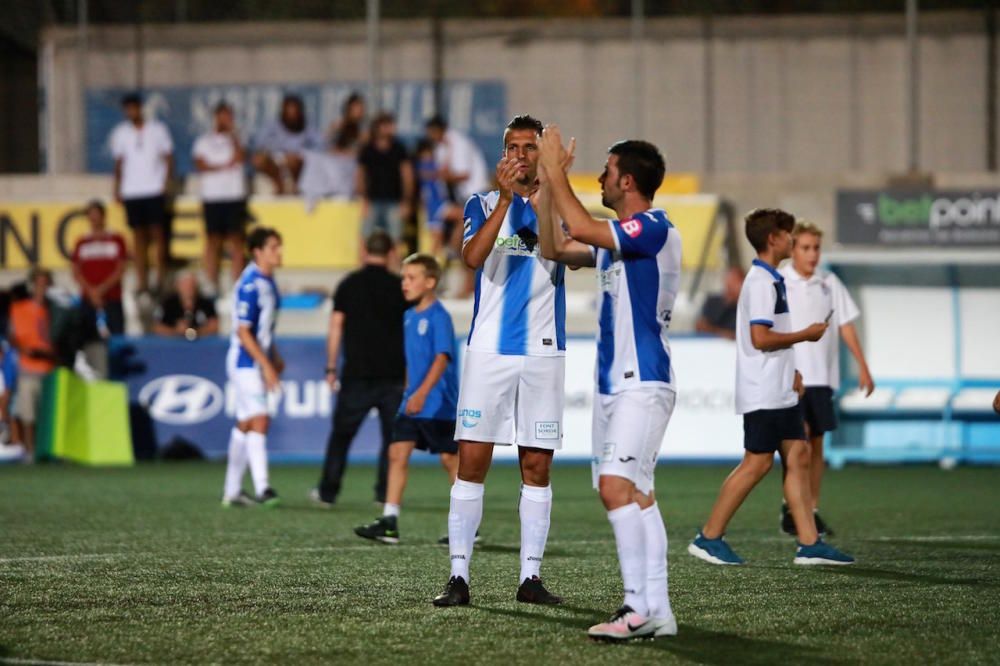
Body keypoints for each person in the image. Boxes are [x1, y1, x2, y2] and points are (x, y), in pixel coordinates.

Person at [536, 128, 680, 640]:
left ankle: (636, 608)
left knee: (616, 487)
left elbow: (578, 223)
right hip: (614, 387)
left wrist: (556, 170)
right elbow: (554, 243)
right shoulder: (614, 242)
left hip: (642, 381)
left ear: (627, 180)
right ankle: (657, 612)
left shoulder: (653, 227)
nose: (599, 177)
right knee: (638, 493)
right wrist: (548, 185)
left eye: (606, 170)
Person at [432, 115, 565, 609]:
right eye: (513, 147)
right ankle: (459, 577)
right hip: (489, 350)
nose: (521, 155)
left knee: (537, 463)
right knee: (471, 463)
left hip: (544, 351)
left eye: (530, 148)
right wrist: (507, 201)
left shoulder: (560, 204)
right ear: (503, 154)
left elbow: (566, 252)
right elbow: (471, 258)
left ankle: (530, 577)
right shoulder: (483, 203)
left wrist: (550, 191)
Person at [687, 209, 854, 567]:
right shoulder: (761, 282)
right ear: (773, 239)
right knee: (758, 463)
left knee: (798, 455)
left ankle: (809, 542)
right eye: (788, 234)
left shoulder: (770, 278)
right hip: (763, 389)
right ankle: (709, 536)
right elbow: (760, 338)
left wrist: (792, 370)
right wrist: (805, 335)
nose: (792, 240)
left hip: (779, 386)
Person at [778, 221, 875, 537]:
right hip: (793, 376)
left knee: (817, 445)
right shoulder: (780, 281)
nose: (812, 254)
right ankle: (792, 506)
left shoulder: (829, 282)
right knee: (799, 442)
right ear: (793, 249)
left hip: (822, 376)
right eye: (806, 247)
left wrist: (862, 365)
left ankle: (811, 508)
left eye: (816, 247)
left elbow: (846, 325)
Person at [354, 254, 459, 544]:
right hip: (412, 401)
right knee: (397, 453)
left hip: (439, 402)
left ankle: (466, 523)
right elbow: (413, 360)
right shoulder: (409, 316)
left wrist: (422, 393)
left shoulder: (439, 316)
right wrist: (409, 391)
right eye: (403, 277)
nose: (405, 283)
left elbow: (441, 358)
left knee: (451, 460)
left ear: (430, 282)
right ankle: (389, 521)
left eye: (411, 278)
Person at [313, 231, 407, 507]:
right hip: (392, 375)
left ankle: (328, 492)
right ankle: (384, 494)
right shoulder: (400, 287)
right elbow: (410, 331)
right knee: (391, 440)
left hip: (356, 374)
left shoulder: (349, 284)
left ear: (364, 251)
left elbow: (335, 327)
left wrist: (331, 367)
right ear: (391, 253)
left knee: (341, 436)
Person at [221, 228, 284, 508]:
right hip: (245, 362)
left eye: (279, 246)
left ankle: (232, 491)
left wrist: (274, 355)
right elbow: (244, 332)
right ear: (257, 252)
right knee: (261, 419)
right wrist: (266, 364)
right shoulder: (250, 284)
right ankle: (263, 487)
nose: (279, 252)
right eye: (273, 247)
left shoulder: (268, 281)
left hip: (254, 359)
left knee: (246, 424)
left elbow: (263, 329)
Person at [110, 92, 173, 295]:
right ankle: (142, 281)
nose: (131, 112)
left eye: (134, 107)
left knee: (158, 234)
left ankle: (160, 277)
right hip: (132, 191)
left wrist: (166, 182)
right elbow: (119, 163)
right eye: (128, 109)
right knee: (138, 237)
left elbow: (168, 157)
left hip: (153, 188)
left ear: (140, 108)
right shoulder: (121, 133)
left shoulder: (157, 129)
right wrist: (117, 188)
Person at [193, 101, 247, 292]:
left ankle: (237, 282)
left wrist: (234, 135)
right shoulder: (204, 141)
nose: (227, 120)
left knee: (236, 239)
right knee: (213, 239)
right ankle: (211, 282)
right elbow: (200, 164)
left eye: (229, 116)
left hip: (233, 195)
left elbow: (241, 157)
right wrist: (223, 166)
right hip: (213, 196)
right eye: (223, 115)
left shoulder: (237, 138)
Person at [9, 268, 58, 460]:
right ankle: (30, 452)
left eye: (45, 283)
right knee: (28, 414)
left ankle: (48, 451)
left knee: (48, 414)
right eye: (39, 283)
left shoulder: (54, 309)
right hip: (28, 366)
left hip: (49, 367)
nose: (42, 288)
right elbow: (13, 336)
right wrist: (23, 349)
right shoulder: (19, 308)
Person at [71, 200, 127, 338]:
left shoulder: (116, 239)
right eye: (91, 215)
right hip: (88, 298)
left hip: (112, 297)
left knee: (116, 337)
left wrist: (101, 290)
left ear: (103, 216)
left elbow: (120, 269)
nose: (94, 219)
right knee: (87, 337)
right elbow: (76, 271)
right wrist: (91, 291)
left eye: (97, 214)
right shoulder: (82, 242)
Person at [356, 112, 414, 245]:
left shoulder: (399, 149)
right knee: (365, 237)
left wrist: (406, 201)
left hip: (394, 201)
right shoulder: (368, 149)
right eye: (387, 125)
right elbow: (360, 175)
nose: (391, 128)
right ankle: (364, 264)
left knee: (395, 239)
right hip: (372, 201)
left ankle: (393, 266)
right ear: (378, 127)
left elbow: (407, 176)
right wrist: (363, 198)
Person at [252, 94, 323, 195]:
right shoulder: (272, 124)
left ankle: (295, 188)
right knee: (258, 159)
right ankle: (278, 183)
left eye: (294, 111)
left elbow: (320, 145)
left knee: (296, 161)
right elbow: (258, 142)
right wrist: (274, 151)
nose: (291, 114)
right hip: (275, 160)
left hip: (296, 160)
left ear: (299, 112)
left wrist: (301, 154)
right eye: (288, 111)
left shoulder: (307, 127)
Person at [153, 272, 219, 340]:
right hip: (174, 345)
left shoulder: (205, 303)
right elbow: (157, 327)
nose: (189, 288)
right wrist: (176, 331)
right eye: (185, 285)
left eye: (191, 285)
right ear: (178, 286)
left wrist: (195, 332)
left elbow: (215, 325)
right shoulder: (168, 304)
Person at [696, 266, 744, 340]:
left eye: (734, 281)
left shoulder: (746, 308)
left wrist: (712, 330)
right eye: (728, 281)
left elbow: (738, 336)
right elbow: (701, 327)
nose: (729, 286)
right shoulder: (712, 302)